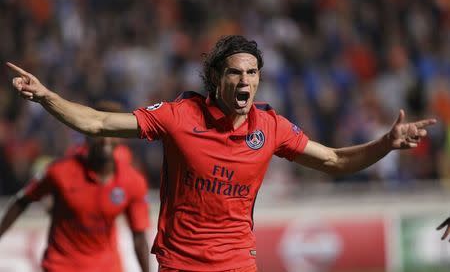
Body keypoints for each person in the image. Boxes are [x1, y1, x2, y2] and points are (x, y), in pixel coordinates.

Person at [7, 35, 436, 272]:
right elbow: (98, 123)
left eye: (252, 72)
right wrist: (46, 96)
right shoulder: (179, 116)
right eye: (235, 72)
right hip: (181, 265)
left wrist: (385, 143)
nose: (245, 80)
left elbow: (337, 161)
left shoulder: (271, 127)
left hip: (236, 264)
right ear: (216, 77)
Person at [0, 101, 151, 272]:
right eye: (100, 132)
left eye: (113, 132)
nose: (105, 139)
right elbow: (23, 200)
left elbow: (139, 235)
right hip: (62, 266)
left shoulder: (133, 181)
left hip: (107, 267)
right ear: (86, 135)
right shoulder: (60, 171)